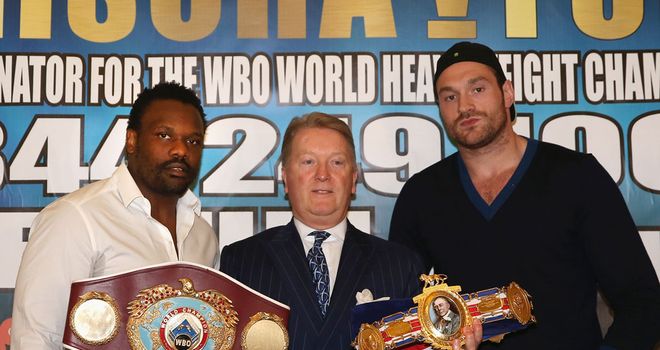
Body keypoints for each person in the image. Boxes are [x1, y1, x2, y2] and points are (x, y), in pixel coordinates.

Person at [389, 41, 660, 350]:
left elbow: (642, 301)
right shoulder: (421, 196)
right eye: (450, 97)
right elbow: (399, 318)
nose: (464, 106)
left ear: (507, 93)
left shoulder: (577, 176)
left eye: (477, 89)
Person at [220, 113, 477, 349]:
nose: (323, 174)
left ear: (353, 178)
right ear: (285, 177)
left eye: (337, 162)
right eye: (308, 161)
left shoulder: (401, 265)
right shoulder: (243, 261)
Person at [11, 82, 219, 349]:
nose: (181, 150)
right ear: (132, 140)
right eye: (165, 135)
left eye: (193, 141)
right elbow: (36, 338)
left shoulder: (204, 236)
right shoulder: (76, 218)